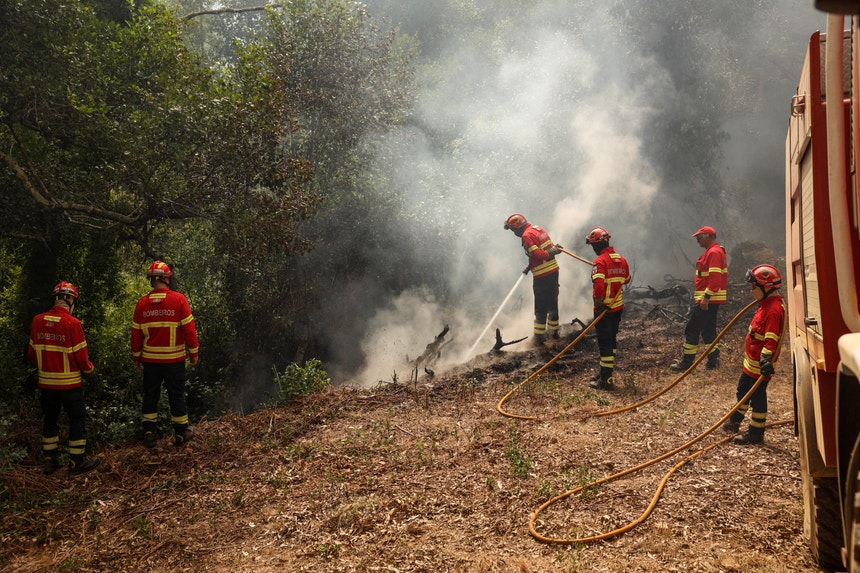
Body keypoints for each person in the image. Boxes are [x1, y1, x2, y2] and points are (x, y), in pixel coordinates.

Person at [28, 281, 101, 475]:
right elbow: (82, 358)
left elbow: (32, 354)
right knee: (76, 419)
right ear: (69, 300)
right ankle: (77, 461)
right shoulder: (72, 324)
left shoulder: (37, 321)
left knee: (50, 419)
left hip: (46, 384)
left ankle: (49, 461)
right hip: (70, 384)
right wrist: (91, 373)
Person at [131, 260, 200, 448]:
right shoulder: (178, 300)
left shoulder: (142, 304)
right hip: (173, 360)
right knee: (176, 394)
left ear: (152, 280)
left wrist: (137, 357)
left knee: (150, 395)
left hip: (150, 361)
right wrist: (193, 353)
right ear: (167, 278)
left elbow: (136, 335)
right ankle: (181, 433)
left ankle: (149, 433)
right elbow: (189, 330)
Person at [722, 264, 785, 444]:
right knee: (743, 391)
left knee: (757, 399)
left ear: (766, 287)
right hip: (751, 364)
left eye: (753, 287)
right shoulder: (765, 304)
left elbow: (771, 339)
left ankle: (756, 433)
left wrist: (766, 360)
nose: (751, 291)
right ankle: (734, 421)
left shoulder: (773, 310)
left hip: (760, 366)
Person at [670, 225, 728, 371]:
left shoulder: (714, 252)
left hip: (708, 300)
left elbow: (715, 280)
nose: (697, 241)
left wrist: (706, 298)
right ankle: (713, 361)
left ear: (708, 236)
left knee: (692, 329)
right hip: (709, 299)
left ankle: (687, 362)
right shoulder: (713, 251)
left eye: (699, 238)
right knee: (708, 330)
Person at [504, 214, 562, 346]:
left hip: (543, 275)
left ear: (518, 227)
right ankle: (554, 334)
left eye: (513, 230)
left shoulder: (526, 236)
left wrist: (550, 253)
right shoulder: (537, 228)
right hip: (553, 271)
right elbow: (541, 252)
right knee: (553, 304)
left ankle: (539, 338)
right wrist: (530, 266)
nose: (514, 233)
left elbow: (539, 254)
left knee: (540, 308)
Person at [585, 227, 632, 390]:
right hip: (617, 307)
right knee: (611, 341)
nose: (593, 248)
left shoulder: (600, 261)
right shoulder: (621, 259)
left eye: (592, 245)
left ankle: (606, 381)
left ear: (597, 244)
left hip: (604, 310)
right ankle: (604, 372)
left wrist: (598, 305)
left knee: (604, 343)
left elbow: (598, 286)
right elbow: (627, 279)